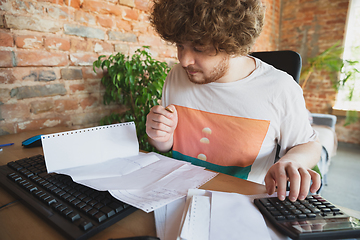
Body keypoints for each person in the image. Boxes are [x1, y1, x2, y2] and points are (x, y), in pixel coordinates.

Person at [146, 0, 322, 202]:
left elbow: (308, 144)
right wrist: (160, 137)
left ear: (231, 43)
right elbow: (168, 145)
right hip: (177, 197)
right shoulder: (177, 75)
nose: (184, 60)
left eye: (199, 48)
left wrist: (293, 160)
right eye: (180, 46)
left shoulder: (280, 88)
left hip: (242, 205)